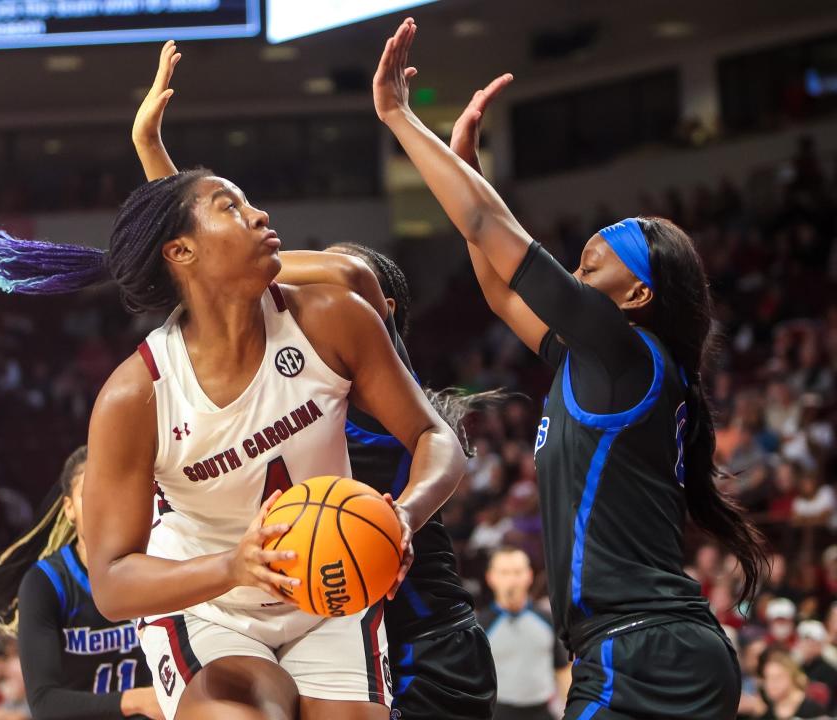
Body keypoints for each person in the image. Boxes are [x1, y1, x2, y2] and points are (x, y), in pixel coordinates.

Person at [0, 86, 465, 720]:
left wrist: (405, 515)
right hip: (212, 604)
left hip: (331, 588)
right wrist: (234, 566)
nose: (261, 215)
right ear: (181, 252)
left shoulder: (333, 319)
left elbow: (439, 441)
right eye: (232, 207)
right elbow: (115, 582)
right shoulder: (135, 395)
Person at [372, 17, 768, 718]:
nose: (582, 265)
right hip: (643, 650)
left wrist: (400, 118)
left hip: (645, 655)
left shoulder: (625, 350)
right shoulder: (602, 364)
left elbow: (493, 232)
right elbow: (498, 287)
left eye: (600, 257)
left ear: (638, 296)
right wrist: (468, 177)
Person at [131, 40, 496, 720]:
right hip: (342, 616)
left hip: (427, 636)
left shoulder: (363, 354)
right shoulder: (294, 370)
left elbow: (283, 274)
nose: (289, 297)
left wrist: (178, 193)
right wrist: (160, 172)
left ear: (379, 311)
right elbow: (218, 273)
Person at [0, 447, 161, 720]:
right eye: (89, 494)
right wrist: (138, 700)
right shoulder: (46, 583)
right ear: (69, 509)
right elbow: (44, 703)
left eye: (111, 489)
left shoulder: (154, 564)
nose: (101, 502)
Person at [479, 547, 570, 720]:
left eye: (518, 572)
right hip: (498, 713)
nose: (512, 579)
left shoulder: (546, 620)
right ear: (491, 578)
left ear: (529, 575)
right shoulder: (481, 626)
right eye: (504, 573)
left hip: (542, 712)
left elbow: (563, 670)